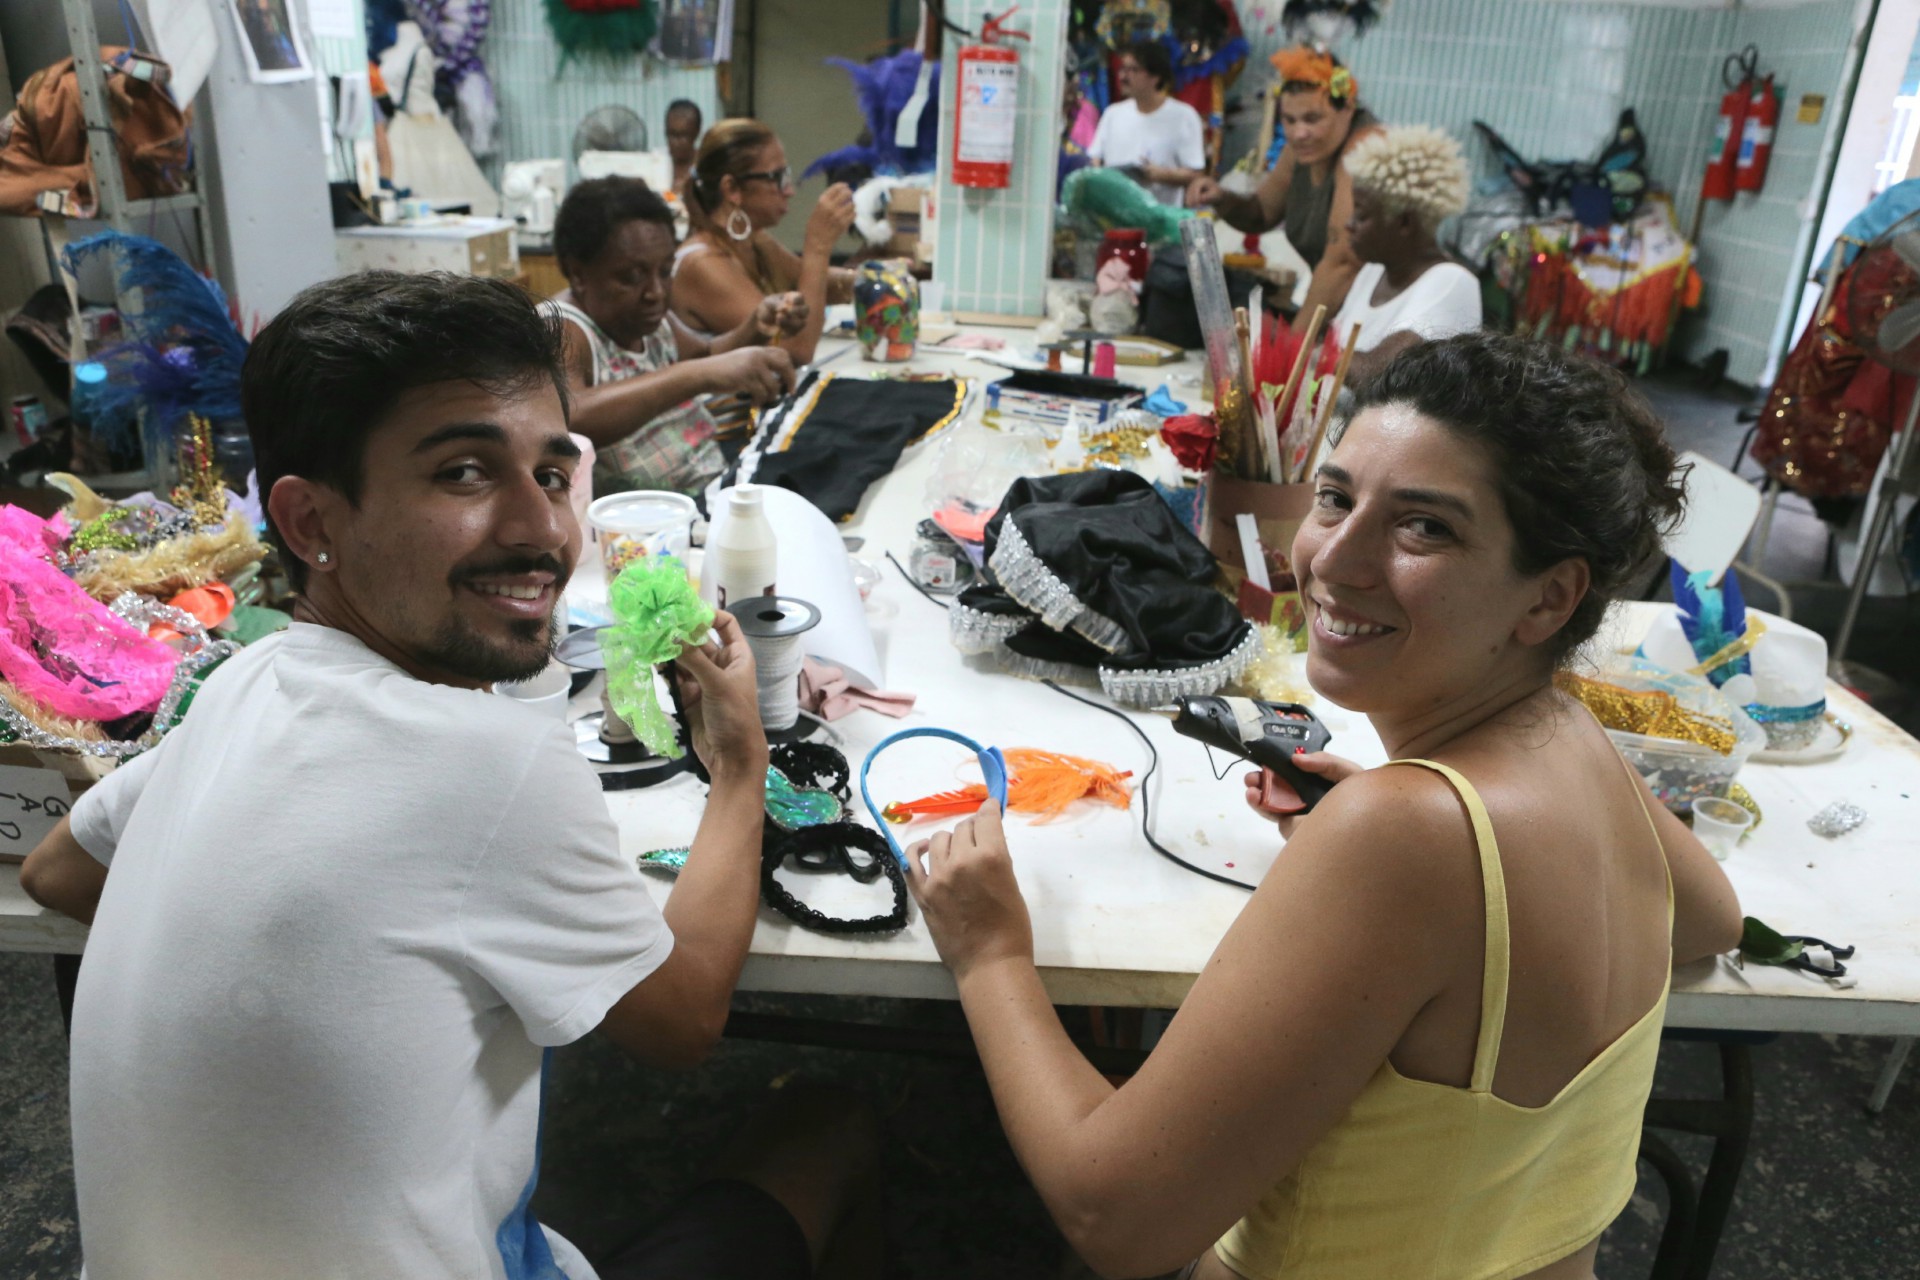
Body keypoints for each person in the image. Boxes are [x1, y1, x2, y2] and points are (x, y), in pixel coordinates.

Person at [19, 271, 880, 1279]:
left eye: (554, 474)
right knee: (829, 1125)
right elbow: (683, 1016)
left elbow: (55, 871)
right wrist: (739, 763)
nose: (541, 528)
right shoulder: (491, 759)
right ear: (308, 524)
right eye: (466, 473)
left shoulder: (248, 678)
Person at [903, 332, 1744, 1280]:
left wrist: (990, 954)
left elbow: (1115, 1219)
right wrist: (1435, 919)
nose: (1332, 561)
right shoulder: (1573, 737)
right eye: (1337, 498)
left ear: (1550, 598)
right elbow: (1710, 918)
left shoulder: (1408, 834)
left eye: (1425, 527)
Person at [547, 176, 802, 495]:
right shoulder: (562, 326)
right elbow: (568, 416)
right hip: (646, 530)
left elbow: (706, 355)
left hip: (709, 485)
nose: (655, 292)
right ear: (577, 274)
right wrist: (697, 376)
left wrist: (755, 326)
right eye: (632, 277)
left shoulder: (647, 318)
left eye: (665, 272)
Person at [1189, 46, 1379, 331]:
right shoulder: (1301, 150)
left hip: (1382, 319)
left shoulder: (1364, 146)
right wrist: (1221, 198)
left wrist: (1293, 346)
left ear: (1348, 108)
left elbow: (1343, 262)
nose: (1298, 133)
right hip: (1341, 314)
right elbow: (1262, 212)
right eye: (1289, 120)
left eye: (1312, 119)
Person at [672, 118, 856, 363]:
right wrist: (818, 248)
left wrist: (879, 277)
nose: (789, 190)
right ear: (732, 189)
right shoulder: (703, 263)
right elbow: (794, 349)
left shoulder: (754, 243)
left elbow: (812, 280)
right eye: (776, 177)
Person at [1333, 124, 1483, 384]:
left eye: (1362, 213)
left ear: (1405, 222)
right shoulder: (1373, 272)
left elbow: (1379, 375)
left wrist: (1313, 355)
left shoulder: (1451, 283)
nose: (1350, 223)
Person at [1088, 40, 1207, 207]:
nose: (1123, 76)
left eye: (1133, 70)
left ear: (1155, 77)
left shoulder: (1184, 116)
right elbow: (1095, 159)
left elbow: (1196, 174)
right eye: (1122, 69)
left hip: (1161, 220)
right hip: (1114, 218)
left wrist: (1160, 175)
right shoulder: (1112, 114)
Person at [665, 98, 703, 198]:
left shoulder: (705, 166)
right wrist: (672, 195)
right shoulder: (657, 163)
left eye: (683, 136)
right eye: (672, 134)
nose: (676, 142)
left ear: (696, 133)